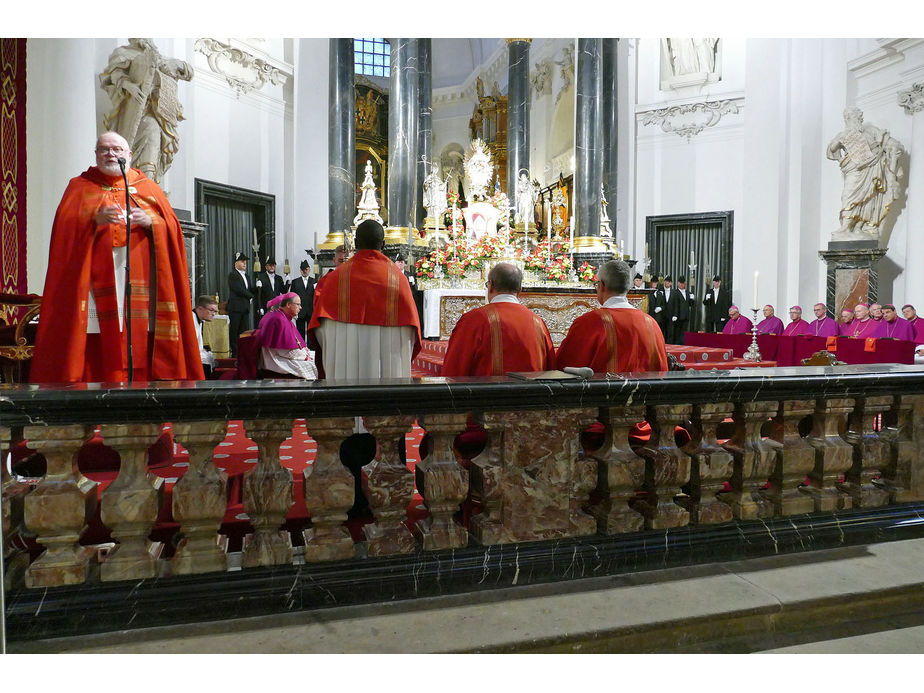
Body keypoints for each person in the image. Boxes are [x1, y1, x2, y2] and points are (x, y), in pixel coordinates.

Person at [31, 131, 203, 383]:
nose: (110, 154)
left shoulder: (149, 188)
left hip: (140, 276)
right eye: (104, 149)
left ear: (129, 155)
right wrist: (93, 220)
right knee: (97, 338)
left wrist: (152, 221)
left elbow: (172, 230)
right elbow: (64, 230)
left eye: (117, 149)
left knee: (139, 335)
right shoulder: (80, 186)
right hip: (93, 280)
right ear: (96, 154)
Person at [308, 219, 420, 379]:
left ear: (355, 243)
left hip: (344, 370)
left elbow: (319, 329)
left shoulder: (335, 278)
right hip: (388, 369)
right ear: (383, 244)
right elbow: (411, 331)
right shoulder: (398, 278)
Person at [98, 39, 193, 184]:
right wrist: (129, 86)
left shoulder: (159, 58)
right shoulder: (123, 53)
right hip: (134, 114)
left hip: (157, 114)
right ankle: (141, 186)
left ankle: (148, 186)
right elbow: (112, 77)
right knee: (145, 135)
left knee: (153, 137)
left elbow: (189, 72)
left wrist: (177, 64)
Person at [441, 262, 556, 377]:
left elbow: (454, 369)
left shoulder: (474, 320)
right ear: (520, 290)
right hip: (532, 393)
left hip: (485, 393)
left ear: (490, 286)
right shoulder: (537, 322)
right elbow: (551, 369)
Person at [556, 260, 668, 374]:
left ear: (601, 286)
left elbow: (563, 367)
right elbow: (662, 370)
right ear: (628, 288)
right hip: (648, 391)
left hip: (602, 391)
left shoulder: (588, 323)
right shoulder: (651, 324)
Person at [826, 107, 904, 236]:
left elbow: (891, 144)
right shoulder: (843, 135)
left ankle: (859, 226)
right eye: (849, 117)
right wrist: (839, 141)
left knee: (869, 199)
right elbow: (832, 149)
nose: (853, 119)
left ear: (859, 118)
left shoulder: (871, 131)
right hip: (853, 170)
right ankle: (845, 226)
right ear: (846, 120)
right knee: (847, 195)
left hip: (872, 168)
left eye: (856, 116)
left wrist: (892, 148)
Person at [256, 293, 317, 380]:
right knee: (315, 363)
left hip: (281, 356)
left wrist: (305, 353)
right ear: (288, 305)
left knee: (317, 357)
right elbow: (284, 350)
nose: (300, 307)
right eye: (298, 304)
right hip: (275, 360)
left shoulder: (282, 317)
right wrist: (305, 356)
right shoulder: (279, 319)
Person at [227, 251, 254, 358]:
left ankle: (243, 351)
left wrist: (257, 288)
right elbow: (239, 289)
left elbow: (249, 289)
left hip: (245, 308)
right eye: (242, 261)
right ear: (235, 263)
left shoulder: (246, 276)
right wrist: (251, 295)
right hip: (235, 307)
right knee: (234, 330)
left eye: (245, 262)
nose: (244, 263)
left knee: (244, 331)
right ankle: (235, 352)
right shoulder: (233, 275)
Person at [288, 259, 315, 340]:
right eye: (303, 270)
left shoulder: (314, 281)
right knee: (300, 331)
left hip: (311, 310)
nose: (305, 271)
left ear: (309, 270)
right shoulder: (295, 282)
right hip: (299, 310)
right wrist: (293, 311)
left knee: (311, 331)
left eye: (306, 269)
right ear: (300, 270)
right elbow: (292, 297)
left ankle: (311, 348)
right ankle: (301, 347)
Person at [193, 295, 219, 378]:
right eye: (211, 310)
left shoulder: (199, 320)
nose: (213, 314)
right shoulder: (191, 319)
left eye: (215, 311)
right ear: (200, 308)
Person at [255, 257, 285, 323]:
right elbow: (258, 295)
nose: (272, 267)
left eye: (273, 265)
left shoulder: (279, 278)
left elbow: (284, 291)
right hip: (265, 306)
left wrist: (288, 282)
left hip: (277, 307)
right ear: (266, 267)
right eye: (270, 265)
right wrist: (259, 307)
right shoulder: (261, 277)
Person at [659, 275, 686, 343]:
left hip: (671, 316)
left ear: (671, 283)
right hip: (662, 315)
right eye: (666, 281)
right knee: (662, 332)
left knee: (670, 333)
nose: (667, 283)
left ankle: (669, 347)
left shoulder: (674, 292)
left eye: (669, 282)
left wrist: (675, 315)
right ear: (664, 282)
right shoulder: (660, 290)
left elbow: (676, 305)